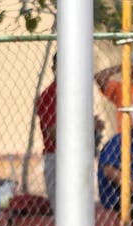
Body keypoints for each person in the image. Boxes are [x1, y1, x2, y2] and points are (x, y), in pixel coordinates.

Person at [36, 53, 105, 212]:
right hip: (58, 157)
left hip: (79, 156)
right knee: (62, 211)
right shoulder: (50, 95)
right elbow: (54, 133)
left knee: (82, 209)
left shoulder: (76, 93)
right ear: (54, 69)